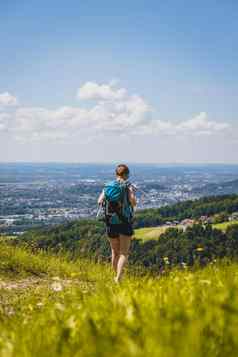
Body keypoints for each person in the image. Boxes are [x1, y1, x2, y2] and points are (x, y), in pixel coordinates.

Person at [98, 164, 136, 283]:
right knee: (124, 253)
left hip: (111, 222)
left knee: (114, 252)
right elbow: (133, 202)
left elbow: (99, 201)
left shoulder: (108, 186)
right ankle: (119, 278)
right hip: (124, 222)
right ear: (126, 175)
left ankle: (115, 276)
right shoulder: (127, 186)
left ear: (116, 174)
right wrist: (131, 191)